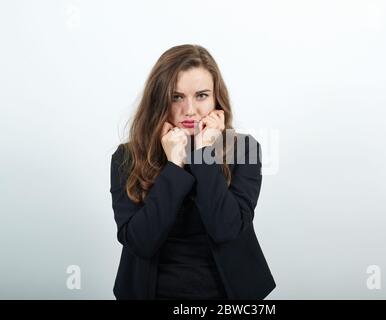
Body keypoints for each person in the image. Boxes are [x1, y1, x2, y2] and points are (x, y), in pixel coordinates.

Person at [109, 44, 276, 299]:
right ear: (159, 100)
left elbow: (226, 230)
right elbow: (140, 242)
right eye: (176, 97)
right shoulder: (127, 157)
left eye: (201, 95)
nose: (190, 110)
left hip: (227, 296)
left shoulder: (245, 149)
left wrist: (202, 154)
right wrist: (174, 166)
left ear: (216, 98)